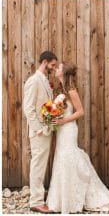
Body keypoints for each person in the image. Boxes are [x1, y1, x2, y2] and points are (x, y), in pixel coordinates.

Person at [46, 62, 109, 213]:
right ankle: (61, 199)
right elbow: (59, 109)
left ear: (64, 72)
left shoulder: (71, 90)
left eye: (58, 67)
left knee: (69, 157)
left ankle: (79, 195)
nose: (56, 69)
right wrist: (52, 115)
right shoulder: (60, 89)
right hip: (61, 130)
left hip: (69, 129)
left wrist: (64, 120)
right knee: (61, 159)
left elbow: (80, 112)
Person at [23, 51, 58, 213]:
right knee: (38, 164)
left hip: (46, 129)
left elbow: (45, 105)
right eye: (52, 65)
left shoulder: (45, 80)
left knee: (41, 163)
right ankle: (36, 201)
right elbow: (28, 108)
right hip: (39, 132)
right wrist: (38, 129)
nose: (54, 68)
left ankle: (38, 192)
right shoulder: (34, 81)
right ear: (44, 62)